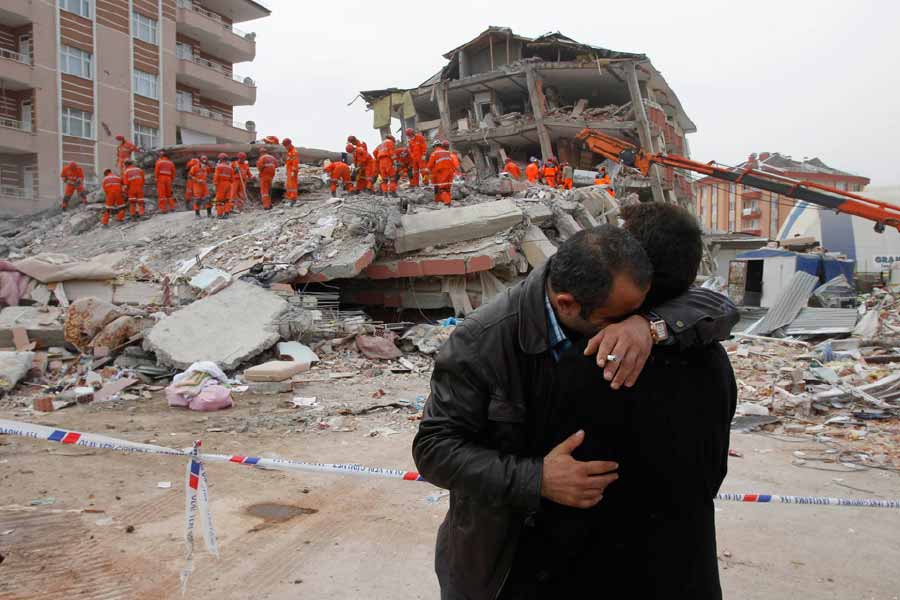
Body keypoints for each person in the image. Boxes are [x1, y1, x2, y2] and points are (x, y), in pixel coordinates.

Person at [412, 223, 739, 600]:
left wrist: (648, 325)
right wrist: (537, 478)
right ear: (567, 303)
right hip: (501, 558)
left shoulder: (614, 301)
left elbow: (716, 306)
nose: (620, 334)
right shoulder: (483, 341)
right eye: (615, 319)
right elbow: (434, 449)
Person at [499, 203, 737, 598]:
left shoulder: (588, 363)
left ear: (635, 268)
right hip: (688, 572)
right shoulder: (714, 360)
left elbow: (552, 489)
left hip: (599, 573)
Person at [427, 140, 454, 206]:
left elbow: (429, 166)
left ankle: (447, 202)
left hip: (442, 172)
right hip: (450, 172)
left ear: (435, 146)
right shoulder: (447, 152)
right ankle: (445, 201)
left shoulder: (434, 153)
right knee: (447, 188)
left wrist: (430, 173)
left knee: (442, 189)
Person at [212, 153, 233, 219]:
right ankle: (227, 213)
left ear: (220, 159)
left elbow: (216, 176)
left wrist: (215, 184)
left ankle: (220, 214)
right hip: (228, 184)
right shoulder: (230, 168)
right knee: (227, 199)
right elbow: (232, 179)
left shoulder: (219, 166)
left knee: (219, 200)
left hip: (220, 184)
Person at [283, 138, 299, 207]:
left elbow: (295, 162)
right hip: (289, 171)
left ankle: (293, 200)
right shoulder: (289, 152)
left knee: (292, 186)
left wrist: (293, 170)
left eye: (286, 146)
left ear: (289, 144)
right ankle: (291, 199)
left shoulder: (294, 152)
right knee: (289, 186)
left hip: (292, 171)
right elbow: (288, 163)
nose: (285, 148)